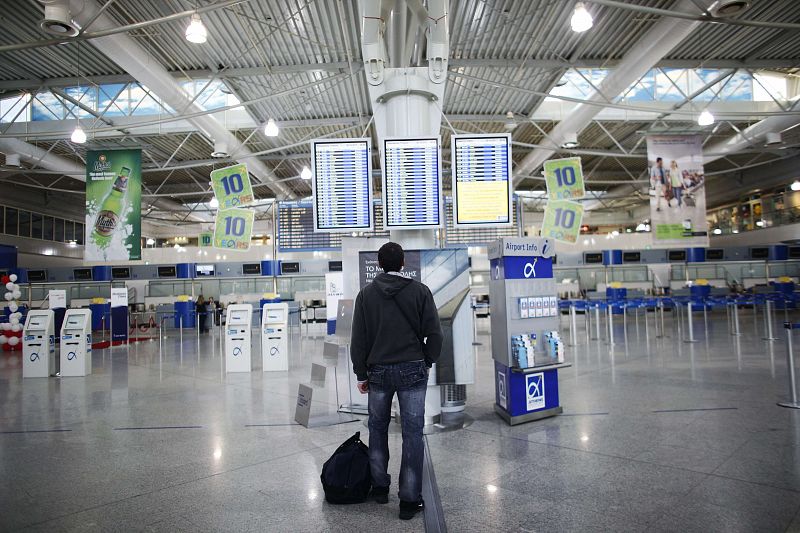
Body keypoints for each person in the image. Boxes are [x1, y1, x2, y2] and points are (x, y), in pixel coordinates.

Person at [350, 242, 443, 521]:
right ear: (403, 263)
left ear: (379, 264)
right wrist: (426, 360)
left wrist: (361, 374)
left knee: (377, 429)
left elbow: (359, 340)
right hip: (412, 370)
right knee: (412, 434)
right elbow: (436, 334)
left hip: (378, 371)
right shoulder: (420, 292)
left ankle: (380, 488)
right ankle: (408, 500)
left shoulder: (365, 295)